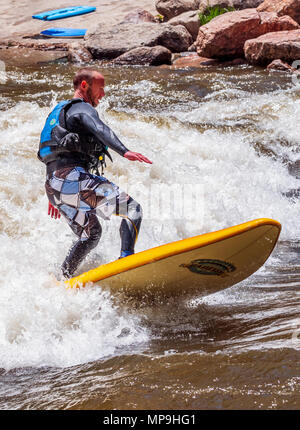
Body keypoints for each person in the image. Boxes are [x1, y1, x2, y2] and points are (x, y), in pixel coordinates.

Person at [38, 68, 152, 278]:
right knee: (133, 209)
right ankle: (126, 261)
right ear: (84, 85)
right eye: (101, 87)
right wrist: (124, 151)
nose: (103, 93)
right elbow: (100, 128)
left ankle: (63, 280)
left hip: (55, 186)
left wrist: (57, 195)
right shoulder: (81, 109)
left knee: (90, 235)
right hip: (71, 180)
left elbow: (54, 153)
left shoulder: (60, 113)